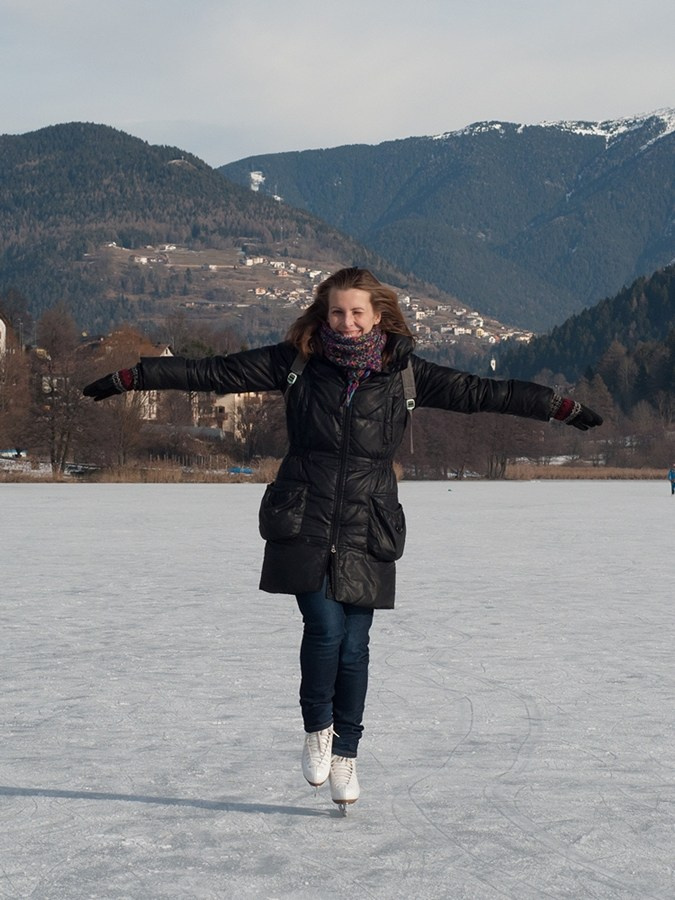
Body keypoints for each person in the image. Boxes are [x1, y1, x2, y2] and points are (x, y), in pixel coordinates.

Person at [83, 267, 603, 809]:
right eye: (337, 312)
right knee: (326, 628)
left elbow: (482, 393)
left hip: (366, 517)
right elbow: (215, 373)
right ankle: (317, 730)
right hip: (305, 509)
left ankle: (347, 753)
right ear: (322, 314)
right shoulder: (297, 363)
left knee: (356, 646)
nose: (347, 323)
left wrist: (557, 406)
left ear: (379, 315)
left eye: (358, 312)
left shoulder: (405, 374)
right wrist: (133, 377)